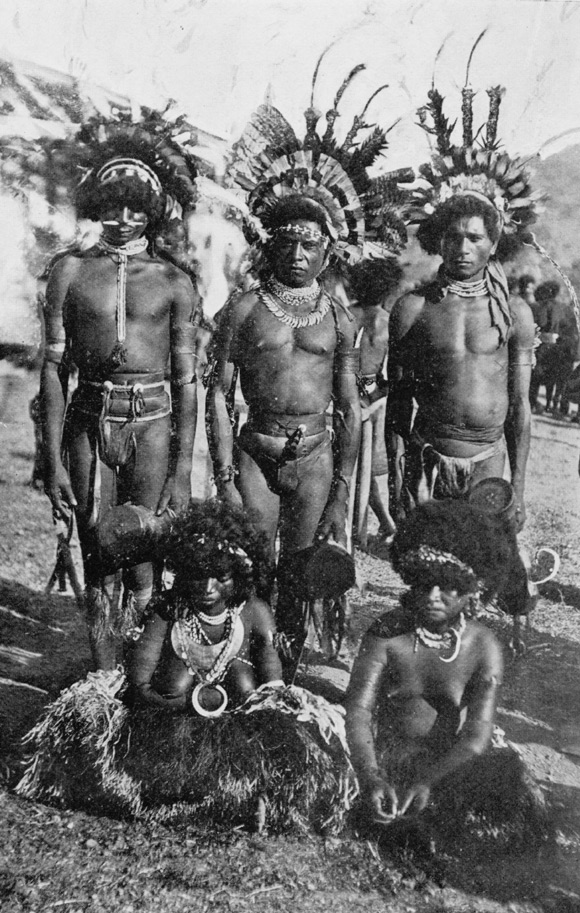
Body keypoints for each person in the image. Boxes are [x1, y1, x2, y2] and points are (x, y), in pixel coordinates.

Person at [207, 69, 412, 675]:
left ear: (329, 252)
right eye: (288, 242)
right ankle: (243, 666)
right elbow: (219, 395)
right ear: (270, 244)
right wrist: (221, 473)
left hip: (316, 456)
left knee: (301, 568)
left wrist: (346, 485)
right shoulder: (242, 310)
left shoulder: (340, 320)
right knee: (251, 563)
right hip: (254, 451)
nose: (298, 255)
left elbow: (349, 409)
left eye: (310, 246)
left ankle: (285, 676)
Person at [18, 500, 357, 834]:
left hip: (239, 741)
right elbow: (138, 687)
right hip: (166, 731)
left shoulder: (254, 614)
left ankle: (240, 797)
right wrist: (189, 702)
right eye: (197, 576)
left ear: (238, 575)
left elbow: (274, 693)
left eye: (219, 578)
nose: (207, 589)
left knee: (260, 714)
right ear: (183, 571)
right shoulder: (170, 613)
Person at [40, 118, 200, 670]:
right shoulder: (70, 271)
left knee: (144, 552)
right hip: (89, 419)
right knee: (97, 547)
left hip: (152, 422)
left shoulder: (174, 280)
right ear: (96, 205)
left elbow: (186, 383)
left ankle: (142, 674)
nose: (124, 218)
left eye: (136, 208)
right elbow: (53, 369)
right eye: (113, 205)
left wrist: (181, 471)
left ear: (153, 212)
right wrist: (52, 460)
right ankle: (102, 678)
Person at [345, 500, 551, 854]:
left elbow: (475, 736)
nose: (432, 596)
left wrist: (430, 780)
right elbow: (358, 713)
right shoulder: (388, 635)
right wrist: (371, 777)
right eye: (424, 584)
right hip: (385, 757)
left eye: (447, 587)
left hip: (450, 763)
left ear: (472, 591)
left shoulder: (484, 647)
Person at [349, 259, 402, 548]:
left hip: (342, 395)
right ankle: (382, 522)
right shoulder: (388, 322)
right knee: (364, 465)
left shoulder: (345, 315)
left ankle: (379, 522)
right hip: (372, 398)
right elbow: (391, 372)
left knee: (350, 463)